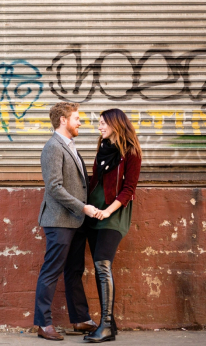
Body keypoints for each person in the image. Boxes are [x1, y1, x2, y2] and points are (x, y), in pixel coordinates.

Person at [34, 102, 99, 341]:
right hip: (60, 220)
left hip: (76, 220)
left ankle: (81, 319)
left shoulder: (70, 146)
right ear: (63, 120)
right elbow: (54, 187)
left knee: (74, 270)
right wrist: (82, 207)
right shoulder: (53, 147)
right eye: (77, 117)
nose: (80, 122)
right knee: (52, 270)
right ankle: (43, 323)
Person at [83, 109, 142, 343]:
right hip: (94, 213)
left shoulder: (132, 152)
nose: (99, 127)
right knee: (100, 267)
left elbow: (129, 189)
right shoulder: (103, 149)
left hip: (114, 214)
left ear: (116, 124)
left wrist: (108, 210)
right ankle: (110, 325)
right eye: (99, 123)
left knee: (103, 263)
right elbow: (95, 181)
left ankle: (106, 325)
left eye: (103, 123)